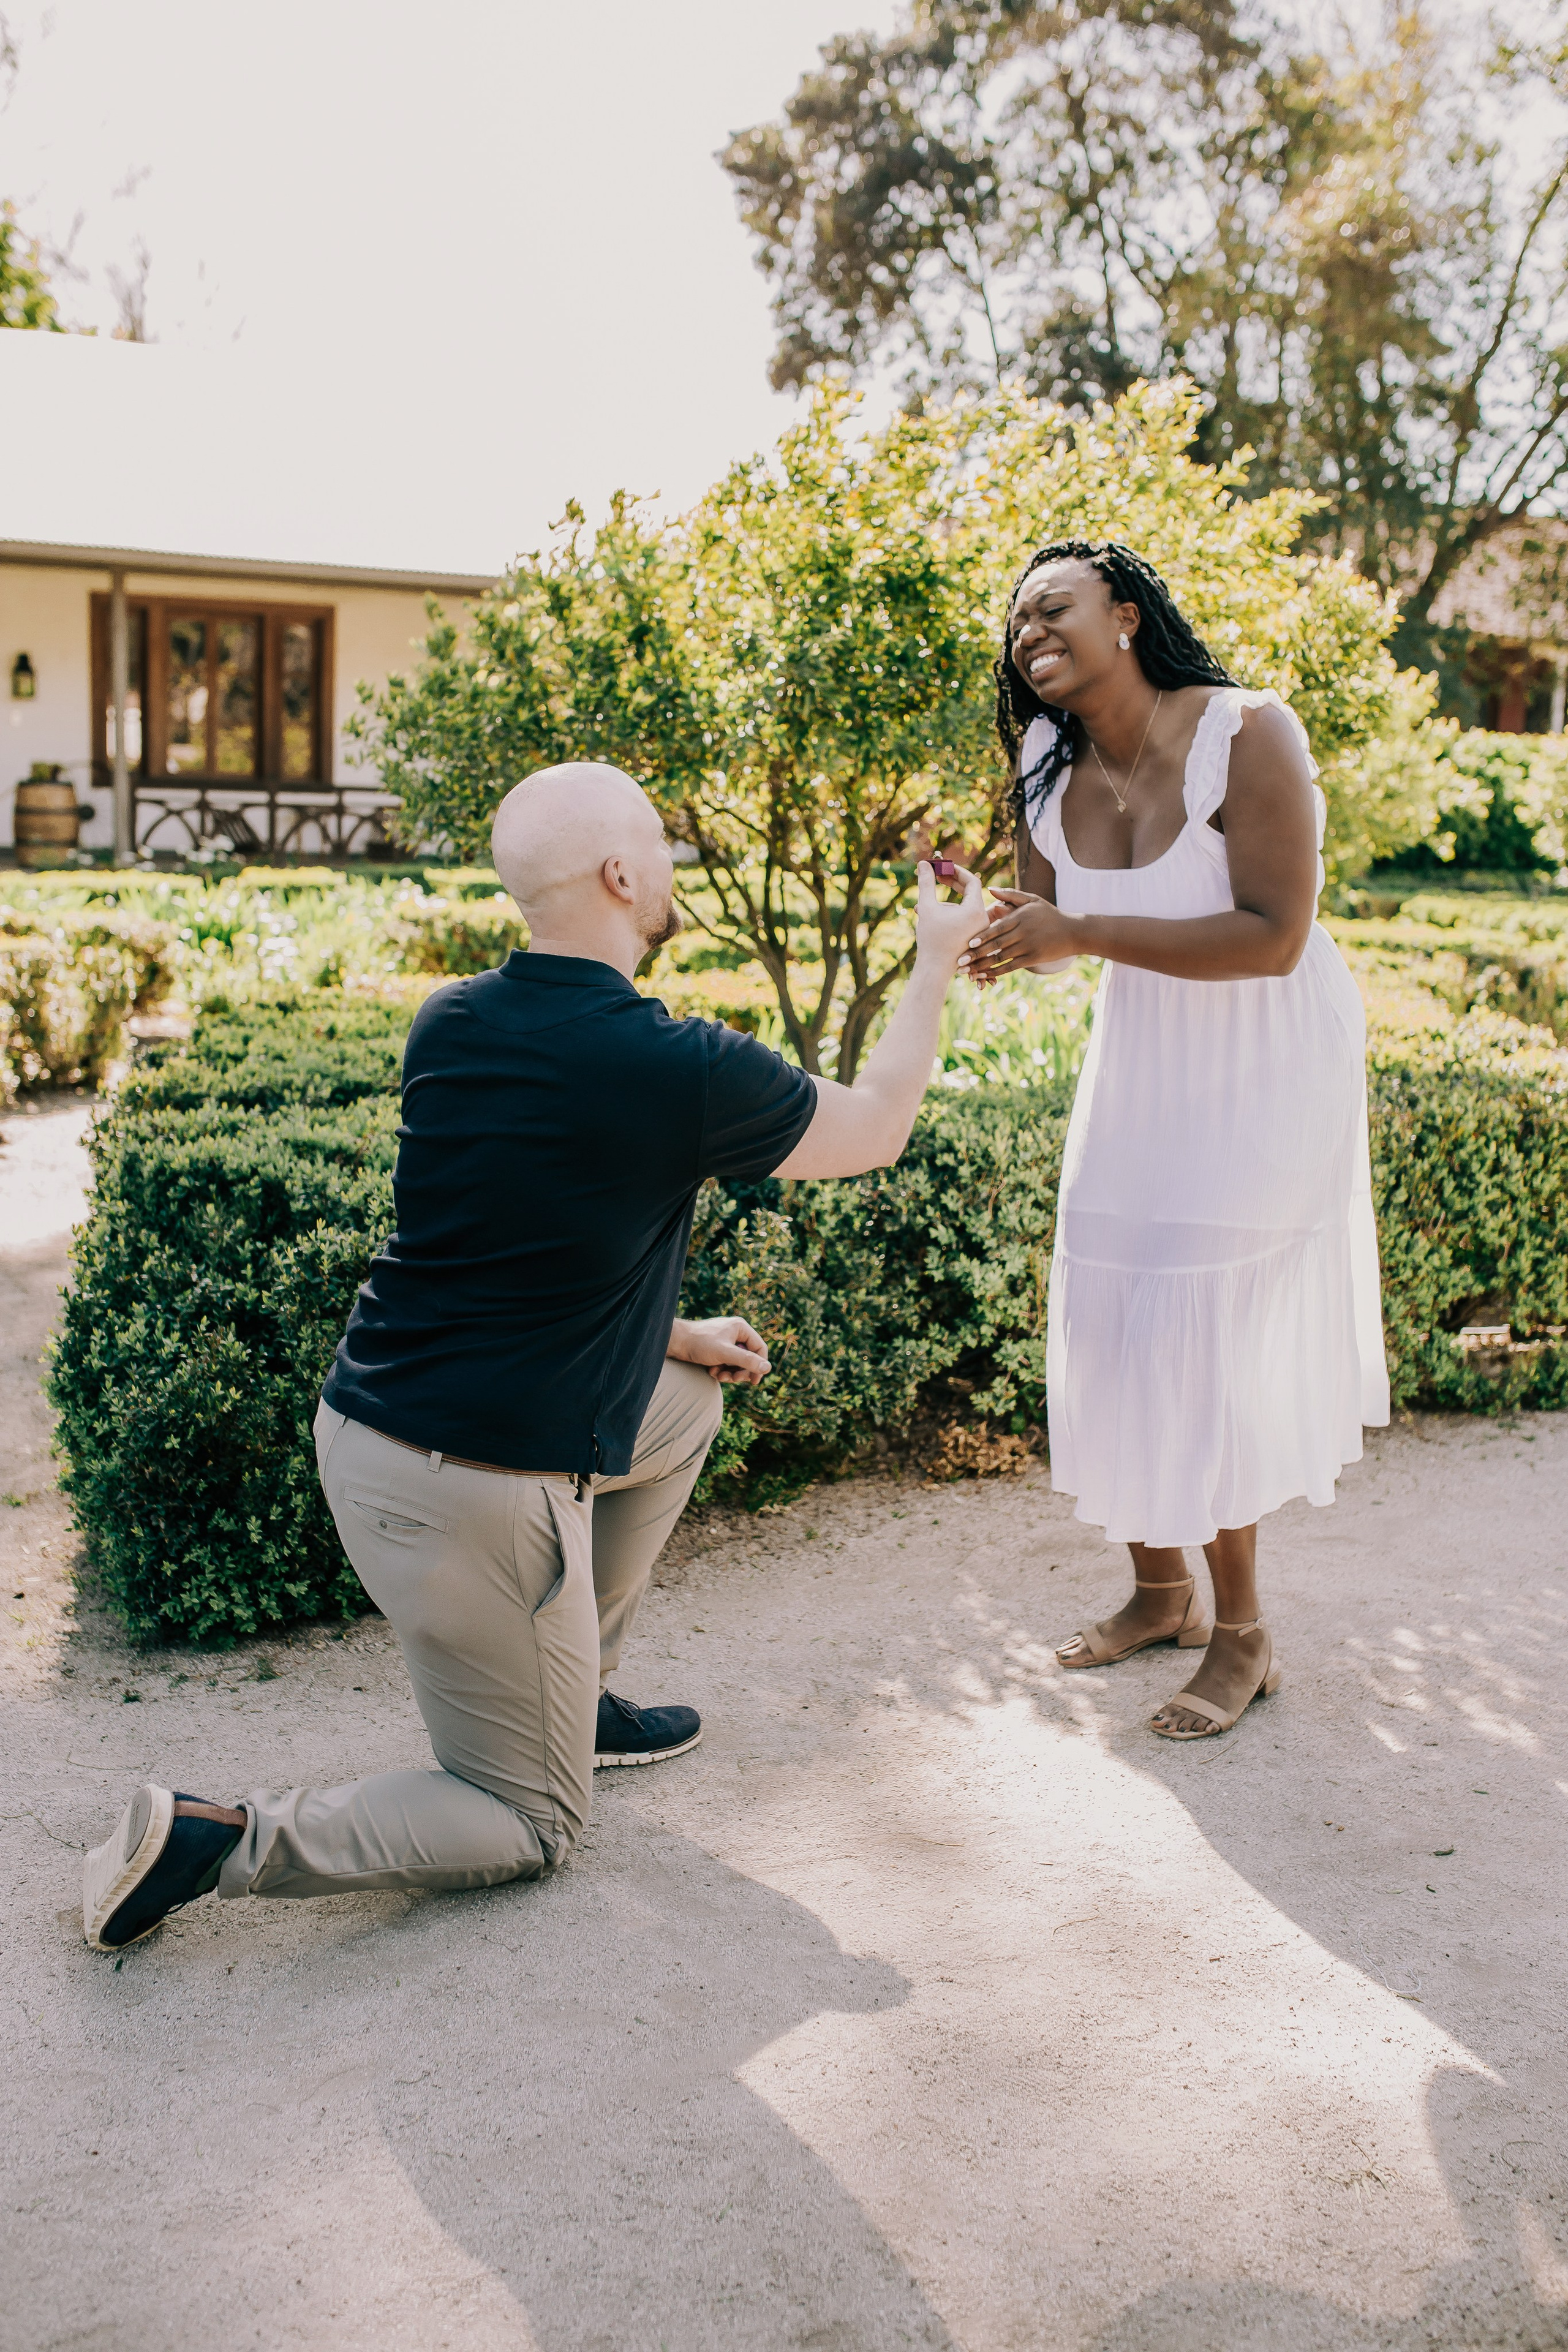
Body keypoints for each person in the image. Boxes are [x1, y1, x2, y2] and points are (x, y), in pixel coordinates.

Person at [83, 762, 987, 1950]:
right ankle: (215, 1836)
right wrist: (932, 957)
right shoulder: (676, 1067)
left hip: (371, 1434)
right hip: (471, 1489)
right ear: (621, 875)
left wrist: (669, 1333)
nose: (669, 863)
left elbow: (505, 1246)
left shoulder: (450, 1021)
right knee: (528, 1822)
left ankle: (576, 1693)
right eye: (658, 844)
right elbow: (875, 1129)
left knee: (680, 1400)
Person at [961, 540, 1389, 1739]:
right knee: (1109, 1311)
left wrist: (1076, 932)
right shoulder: (1042, 756)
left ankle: (1242, 1634)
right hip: (1146, 1052)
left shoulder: (1249, 732)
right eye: (1015, 624)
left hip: (1265, 1055)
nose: (1027, 633)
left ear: (1129, 615)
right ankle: (1160, 1594)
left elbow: (1269, 937)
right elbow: (1049, 919)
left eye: (1052, 608)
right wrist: (987, 928)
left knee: (1198, 1335)